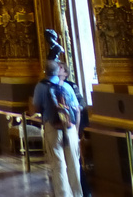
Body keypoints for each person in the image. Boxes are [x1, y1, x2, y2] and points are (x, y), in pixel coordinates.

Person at [33, 60, 83, 197]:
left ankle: (63, 195)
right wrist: (76, 132)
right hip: (70, 127)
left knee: (58, 164)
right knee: (74, 164)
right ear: (57, 72)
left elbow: (36, 107)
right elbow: (77, 110)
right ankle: (77, 194)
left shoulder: (40, 86)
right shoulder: (67, 86)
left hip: (52, 126)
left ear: (45, 71)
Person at [58, 62, 92, 197]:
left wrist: (77, 129)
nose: (58, 70)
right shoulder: (51, 86)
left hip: (72, 127)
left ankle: (84, 191)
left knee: (75, 162)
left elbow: (81, 104)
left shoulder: (71, 86)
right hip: (58, 129)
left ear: (66, 73)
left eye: (60, 68)